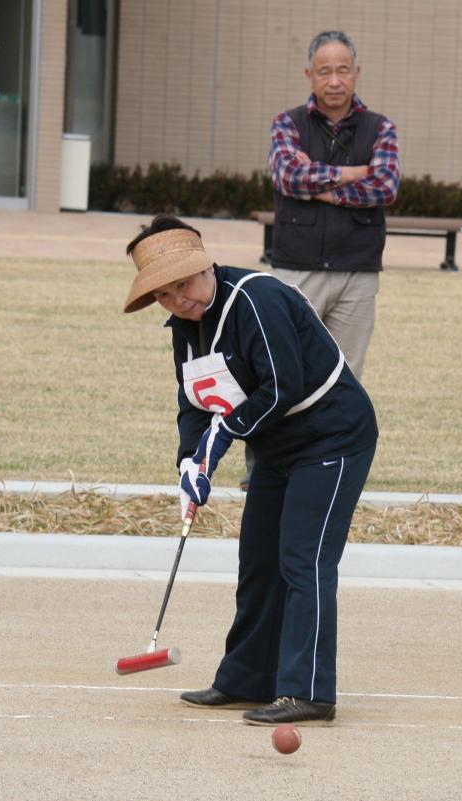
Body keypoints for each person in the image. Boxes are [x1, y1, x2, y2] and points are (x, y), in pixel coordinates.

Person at [122, 214, 378, 725]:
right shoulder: (185, 327)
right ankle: (246, 679)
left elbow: (279, 387)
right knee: (259, 561)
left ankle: (309, 691)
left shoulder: (255, 299)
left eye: (185, 285)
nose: (180, 300)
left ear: (205, 267)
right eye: (166, 296)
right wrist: (191, 462)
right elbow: (195, 399)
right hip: (277, 448)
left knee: (302, 560)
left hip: (333, 437)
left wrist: (218, 442)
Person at [266, 29, 400, 382]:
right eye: (325, 71)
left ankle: (338, 440)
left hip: (358, 272)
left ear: (357, 72)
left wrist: (323, 187)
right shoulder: (287, 123)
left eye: (344, 70)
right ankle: (285, 440)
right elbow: (288, 177)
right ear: (309, 75)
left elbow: (385, 186)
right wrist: (355, 173)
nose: (335, 80)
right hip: (297, 270)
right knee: (287, 371)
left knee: (345, 378)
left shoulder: (381, 128)